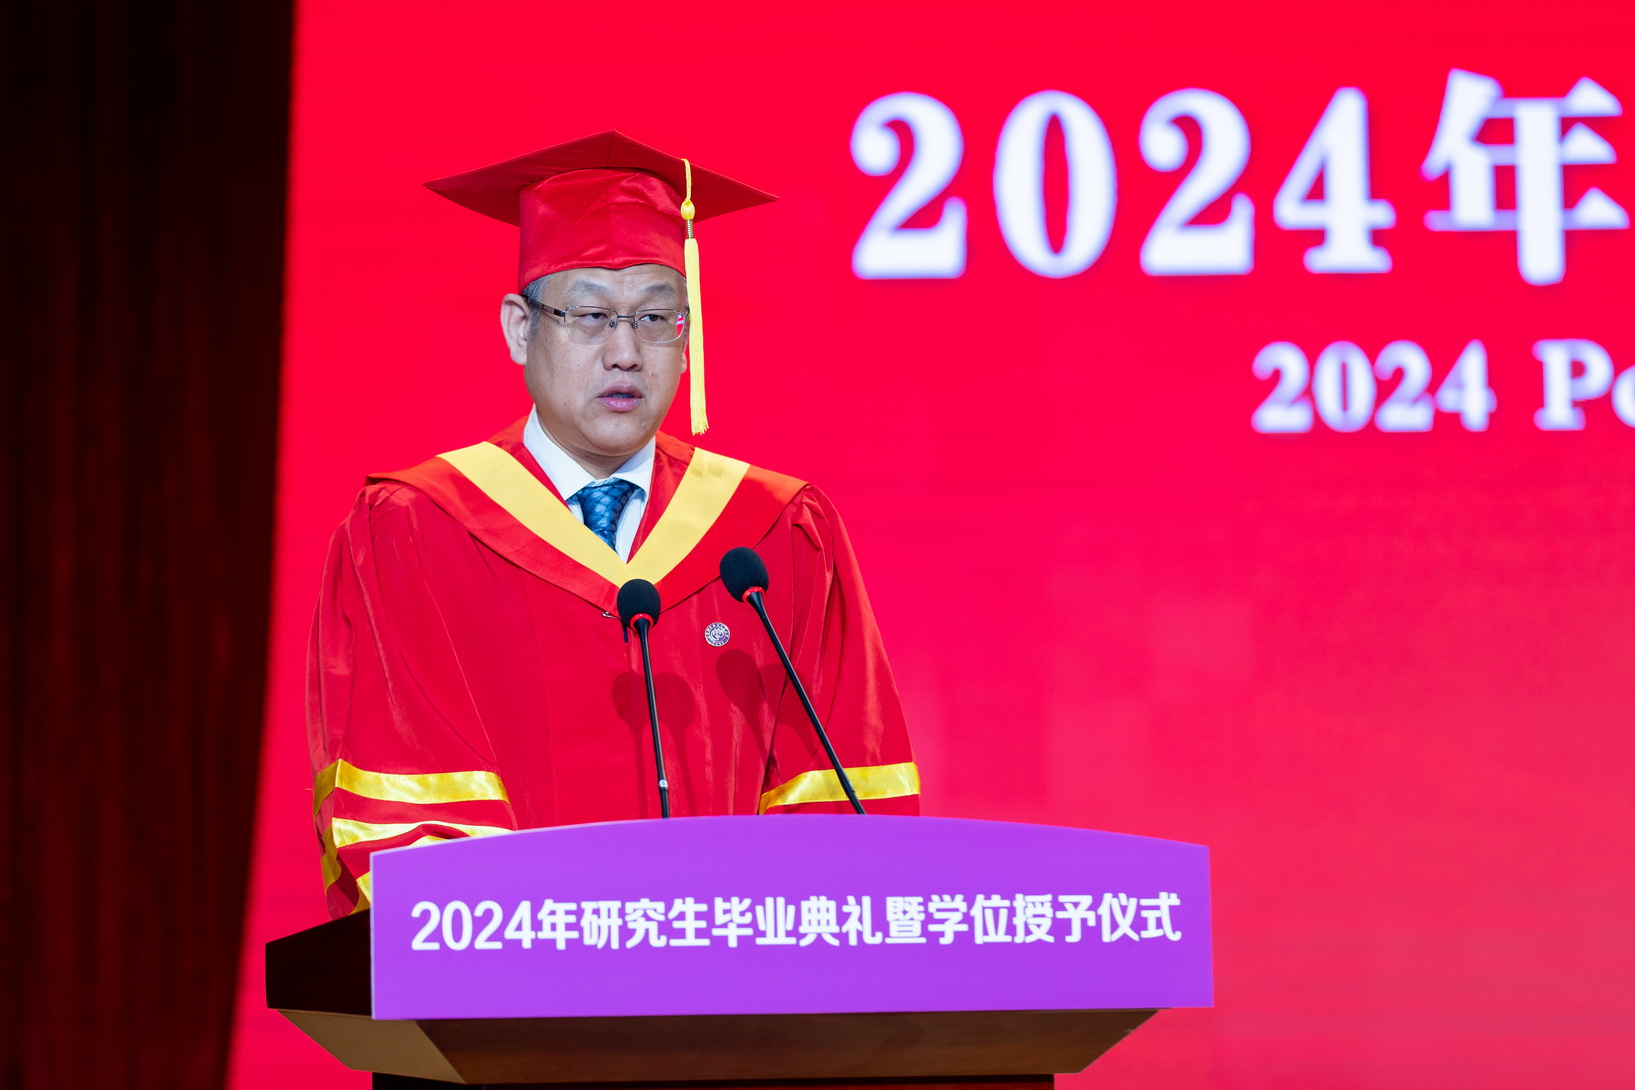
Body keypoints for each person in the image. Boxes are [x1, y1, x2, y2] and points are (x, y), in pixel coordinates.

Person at [308, 131, 920, 918]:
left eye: (657, 317)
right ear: (520, 329)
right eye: (591, 315)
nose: (625, 352)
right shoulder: (415, 529)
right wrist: (550, 945)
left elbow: (838, 803)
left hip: (726, 979)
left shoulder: (775, 534)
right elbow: (404, 796)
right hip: (515, 978)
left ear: (688, 336)